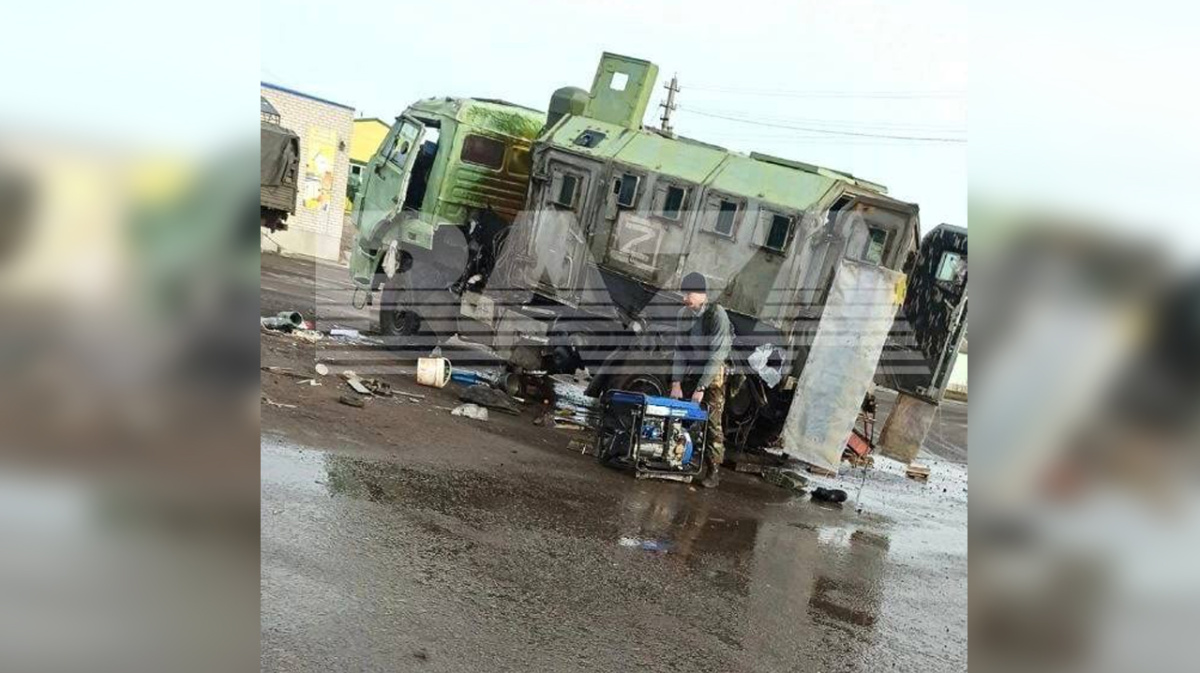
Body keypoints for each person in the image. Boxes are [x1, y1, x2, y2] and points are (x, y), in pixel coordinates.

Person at [670, 272, 733, 488]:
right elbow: (679, 350)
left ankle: (713, 470)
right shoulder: (684, 314)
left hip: (712, 374)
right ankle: (675, 457)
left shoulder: (716, 315)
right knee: (678, 413)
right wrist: (676, 382)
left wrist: (701, 387)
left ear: (702, 295)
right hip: (693, 369)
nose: (684, 298)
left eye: (689, 294)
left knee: (712, 423)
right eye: (684, 293)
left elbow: (717, 355)